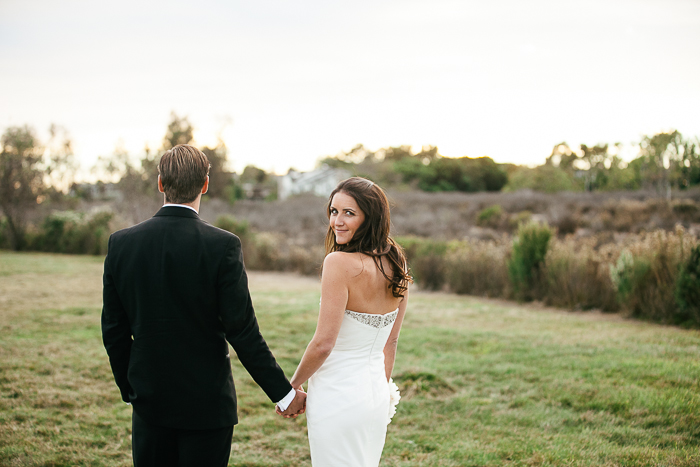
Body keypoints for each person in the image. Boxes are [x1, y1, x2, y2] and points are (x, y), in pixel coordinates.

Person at [101, 144, 306, 467]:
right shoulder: (222, 246)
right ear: (205, 184)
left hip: (149, 403)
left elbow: (113, 329)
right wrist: (285, 394)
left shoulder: (121, 244)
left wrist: (132, 389)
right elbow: (243, 332)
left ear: (160, 183)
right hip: (207, 407)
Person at [284, 177, 411, 466]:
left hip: (336, 396)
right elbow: (390, 342)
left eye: (349, 213)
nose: (337, 221)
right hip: (375, 395)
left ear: (371, 218)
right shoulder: (397, 263)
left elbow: (323, 344)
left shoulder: (338, 264)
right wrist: (382, 388)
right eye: (333, 211)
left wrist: (292, 387)